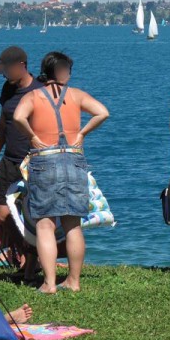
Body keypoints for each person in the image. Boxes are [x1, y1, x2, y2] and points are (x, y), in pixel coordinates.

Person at [13, 51, 109, 294]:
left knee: (45, 224)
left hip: (44, 158)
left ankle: (49, 283)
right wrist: (82, 134)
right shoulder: (76, 95)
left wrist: (33, 137)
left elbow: (18, 117)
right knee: (72, 224)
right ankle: (73, 281)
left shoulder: (35, 95)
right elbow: (102, 112)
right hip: (74, 157)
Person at [0, 47, 42, 277]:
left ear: (22, 65)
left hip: (31, 162)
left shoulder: (40, 90)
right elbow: (3, 125)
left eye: (7, 70)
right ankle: (26, 256)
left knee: (30, 217)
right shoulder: (8, 90)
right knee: (3, 214)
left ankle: (30, 265)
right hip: (8, 162)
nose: (5, 75)